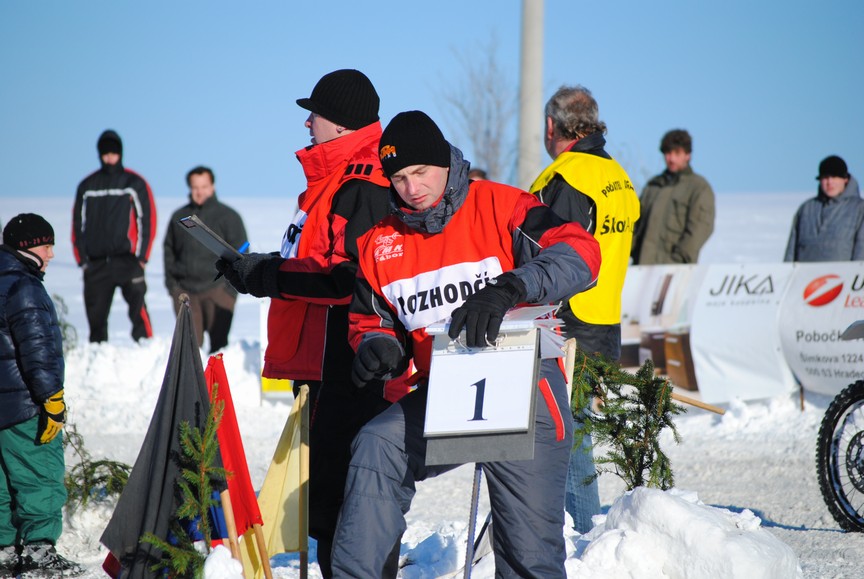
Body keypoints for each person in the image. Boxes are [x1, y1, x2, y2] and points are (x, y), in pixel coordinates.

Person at [329, 111, 601, 577]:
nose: (411, 188)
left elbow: (580, 253)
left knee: (528, 554)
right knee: (377, 444)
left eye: (420, 172)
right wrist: (379, 345)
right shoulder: (379, 243)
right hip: (445, 390)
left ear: (445, 163)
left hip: (526, 385)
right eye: (398, 178)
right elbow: (369, 317)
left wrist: (511, 287)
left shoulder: (501, 204)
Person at [215, 69, 407, 577]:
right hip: (324, 365)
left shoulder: (362, 186)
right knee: (329, 495)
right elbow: (313, 263)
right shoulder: (331, 183)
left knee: (348, 499)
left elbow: (348, 282)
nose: (306, 122)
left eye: (314, 114)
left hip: (352, 364)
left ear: (340, 125)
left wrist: (267, 276)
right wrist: (265, 270)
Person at [529, 85, 640, 534]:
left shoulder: (564, 178)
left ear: (552, 126)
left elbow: (541, 257)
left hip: (566, 324)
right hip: (604, 322)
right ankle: (578, 531)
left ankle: (583, 535)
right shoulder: (619, 177)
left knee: (567, 441)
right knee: (576, 435)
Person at [0, 214, 84, 578]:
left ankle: (4, 551)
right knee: (40, 474)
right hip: (25, 403)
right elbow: (37, 350)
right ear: (27, 247)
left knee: (3, 479)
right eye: (46, 246)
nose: (51, 254)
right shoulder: (24, 286)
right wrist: (52, 399)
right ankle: (38, 553)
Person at [72, 129, 157, 343]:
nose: (110, 158)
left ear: (121, 153)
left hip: (127, 260)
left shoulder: (134, 183)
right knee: (96, 318)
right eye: (105, 154)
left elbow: (147, 220)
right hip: (96, 263)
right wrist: (82, 260)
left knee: (138, 310)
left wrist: (142, 258)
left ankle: (146, 347)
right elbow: (77, 224)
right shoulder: (87, 186)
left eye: (114, 153)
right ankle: (98, 355)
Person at [164, 166, 248, 353]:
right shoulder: (179, 217)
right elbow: (168, 250)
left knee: (219, 350)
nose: (199, 191)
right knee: (189, 349)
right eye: (195, 187)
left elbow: (242, 251)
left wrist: (229, 291)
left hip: (218, 291)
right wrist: (173, 286)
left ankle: (216, 383)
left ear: (212, 186)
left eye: (204, 186)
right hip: (185, 292)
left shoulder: (229, 216)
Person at [631, 129, 714, 264]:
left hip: (676, 271)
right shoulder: (653, 186)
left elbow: (700, 229)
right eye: (668, 153)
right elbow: (635, 226)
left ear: (687, 155)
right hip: (642, 268)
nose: (671, 158)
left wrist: (677, 259)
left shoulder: (699, 188)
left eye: (677, 153)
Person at [784, 155, 864, 262]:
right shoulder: (806, 209)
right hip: (806, 277)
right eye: (825, 177)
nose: (829, 182)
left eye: (834, 177)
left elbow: (861, 251)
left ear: (845, 179)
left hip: (844, 276)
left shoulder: (859, 209)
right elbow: (791, 252)